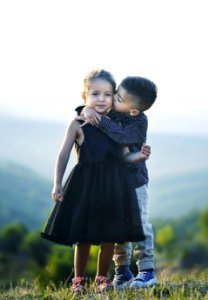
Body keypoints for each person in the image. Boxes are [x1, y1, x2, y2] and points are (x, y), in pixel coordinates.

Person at [41, 69, 149, 294]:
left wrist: (139, 156)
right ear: (84, 97)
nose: (101, 99)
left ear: (115, 97)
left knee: (110, 235)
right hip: (86, 186)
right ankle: (78, 281)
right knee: (83, 236)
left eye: (108, 94)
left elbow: (125, 155)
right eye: (95, 94)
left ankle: (102, 279)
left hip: (113, 187)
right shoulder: (77, 123)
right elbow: (63, 154)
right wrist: (57, 183)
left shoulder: (115, 125)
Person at [77, 76, 158, 288]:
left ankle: (147, 270)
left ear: (133, 110)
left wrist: (99, 118)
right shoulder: (115, 109)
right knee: (116, 227)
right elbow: (95, 105)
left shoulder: (138, 122)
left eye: (118, 97)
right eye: (115, 93)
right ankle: (122, 270)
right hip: (114, 183)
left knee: (139, 224)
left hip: (135, 182)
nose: (112, 99)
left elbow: (121, 137)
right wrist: (85, 109)